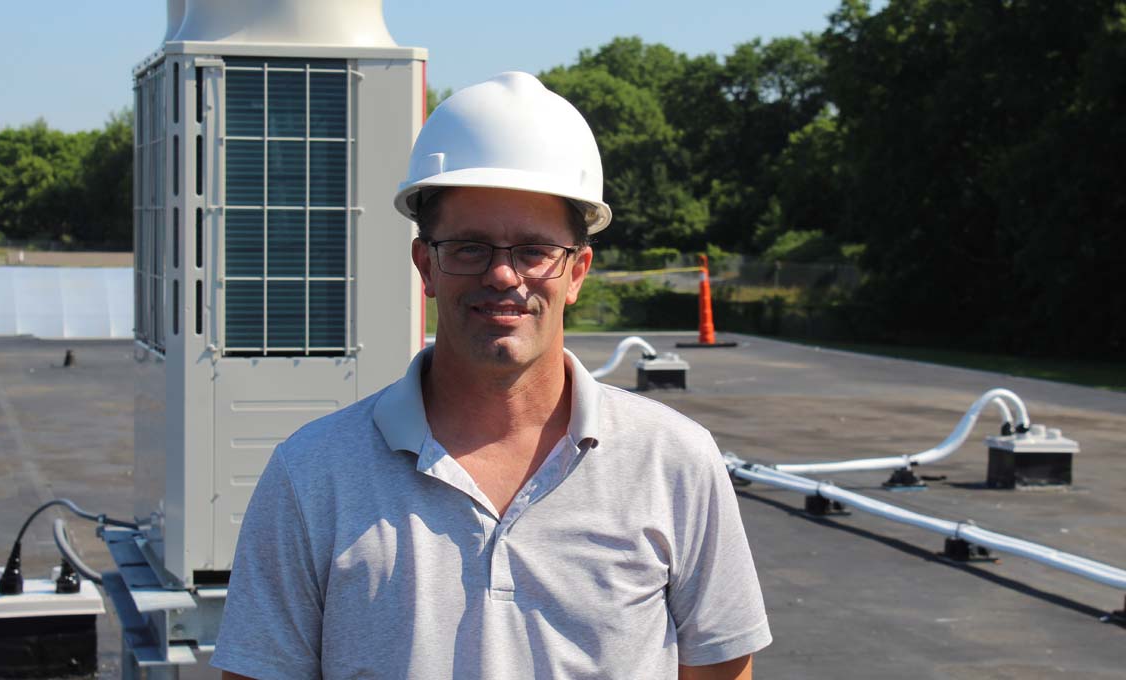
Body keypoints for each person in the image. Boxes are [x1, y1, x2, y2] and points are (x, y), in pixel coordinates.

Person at [213, 71, 771, 680]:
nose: (504, 276)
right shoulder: (312, 475)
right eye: (469, 247)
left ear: (578, 271)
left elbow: (721, 672)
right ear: (425, 264)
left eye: (534, 250)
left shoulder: (674, 461)